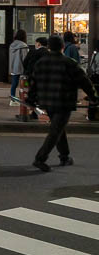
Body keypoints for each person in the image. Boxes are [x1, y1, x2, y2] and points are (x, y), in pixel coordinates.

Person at [29, 35, 98, 172]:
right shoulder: (69, 63)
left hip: (46, 101)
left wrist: (31, 98)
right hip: (64, 101)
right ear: (63, 47)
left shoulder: (41, 63)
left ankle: (64, 156)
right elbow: (85, 82)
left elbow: (34, 83)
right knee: (55, 130)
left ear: (48, 47)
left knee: (58, 128)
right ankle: (40, 158)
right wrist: (94, 97)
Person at [8, 29, 28, 104]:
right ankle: (24, 98)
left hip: (14, 67)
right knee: (25, 83)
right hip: (22, 67)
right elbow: (25, 58)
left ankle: (12, 99)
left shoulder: (12, 45)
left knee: (14, 84)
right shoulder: (23, 46)